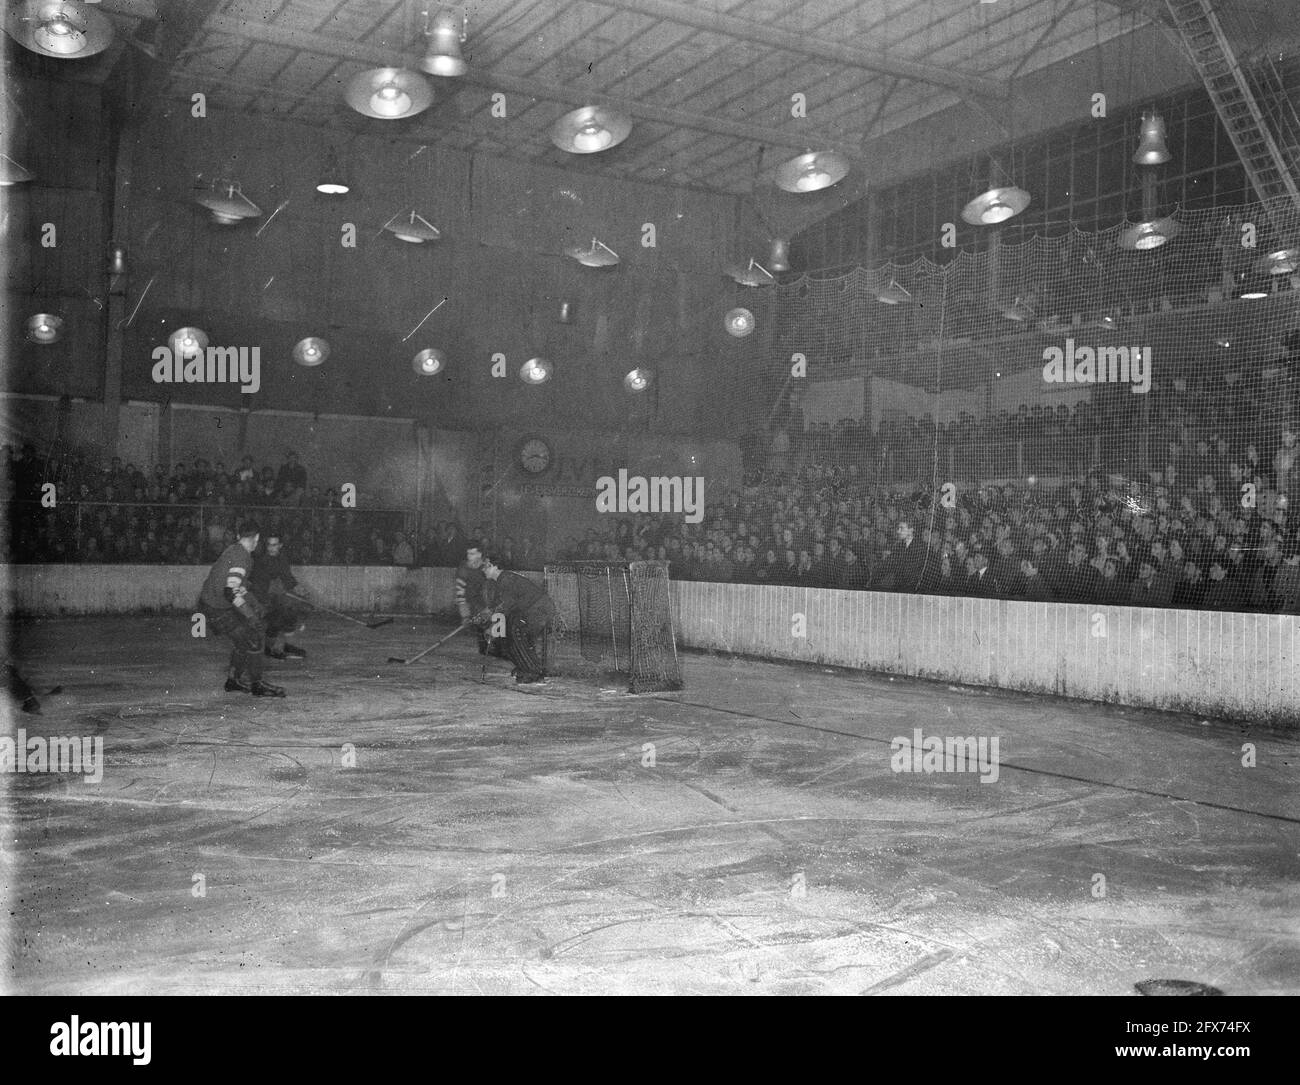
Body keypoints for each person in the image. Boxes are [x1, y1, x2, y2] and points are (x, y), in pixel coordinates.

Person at [197, 519, 285, 697]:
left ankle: (233, 681)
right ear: (257, 537)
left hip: (211, 605)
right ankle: (256, 685)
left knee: (243, 641)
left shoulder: (235, 550)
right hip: (217, 608)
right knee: (254, 637)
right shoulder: (243, 557)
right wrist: (251, 615)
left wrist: (255, 605)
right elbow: (231, 592)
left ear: (238, 536)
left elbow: (238, 588)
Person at [479, 555, 557, 684]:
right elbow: (499, 603)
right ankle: (525, 666)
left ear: (495, 566)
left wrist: (493, 627)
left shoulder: (506, 579)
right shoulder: (502, 580)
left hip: (540, 610)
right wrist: (487, 612)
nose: (483, 569)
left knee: (515, 629)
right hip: (533, 610)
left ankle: (532, 672)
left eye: (486, 566)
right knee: (509, 634)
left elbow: (506, 607)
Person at [249, 531, 311, 660]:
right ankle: (269, 648)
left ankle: (287, 645)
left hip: (273, 597)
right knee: (276, 618)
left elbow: (287, 578)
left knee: (290, 615)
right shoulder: (262, 561)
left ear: (280, 545)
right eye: (269, 545)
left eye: (275, 545)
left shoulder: (282, 558)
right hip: (260, 598)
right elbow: (261, 585)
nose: (271, 548)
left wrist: (301, 590)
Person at [454, 543, 497, 656]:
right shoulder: (463, 570)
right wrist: (465, 615)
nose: (469, 556)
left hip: (488, 602)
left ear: (480, 554)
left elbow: (494, 587)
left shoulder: (488, 566)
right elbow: (460, 594)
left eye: (472, 553)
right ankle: (485, 649)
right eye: (468, 553)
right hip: (473, 603)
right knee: (482, 626)